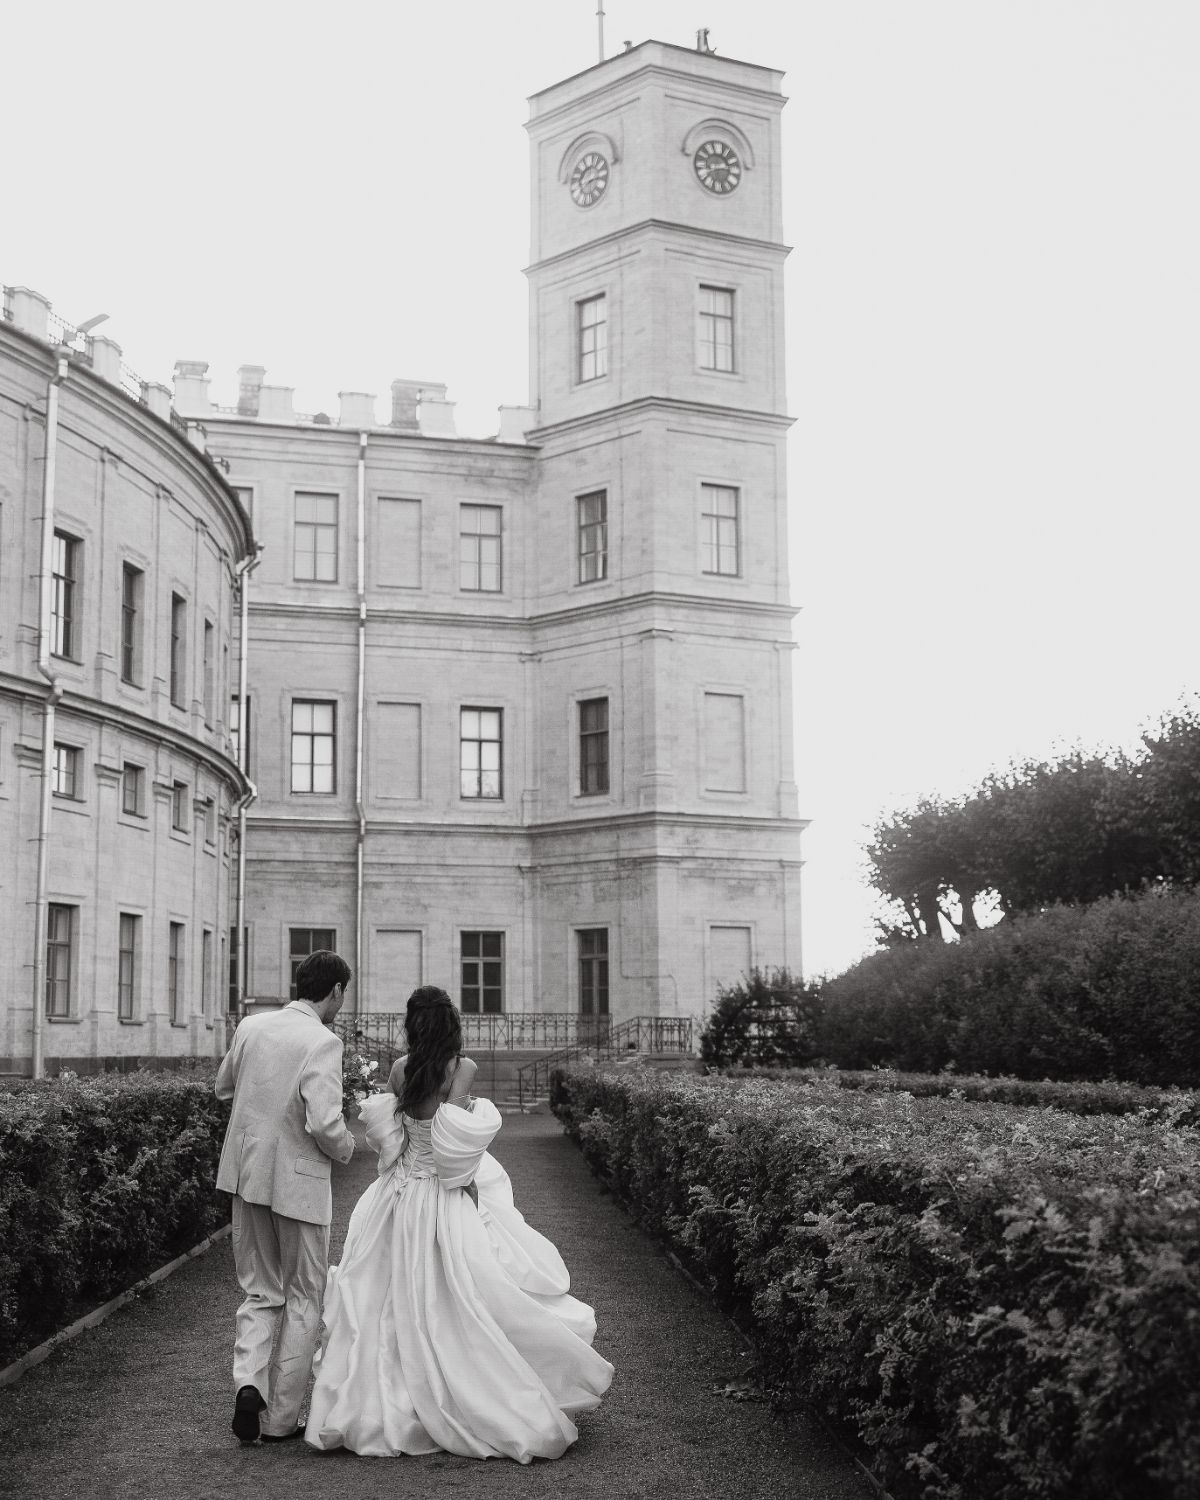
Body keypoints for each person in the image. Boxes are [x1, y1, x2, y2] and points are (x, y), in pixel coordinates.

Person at [305, 985, 613, 1461]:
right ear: (450, 1024)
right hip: (441, 1190)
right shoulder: (461, 1068)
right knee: (463, 1288)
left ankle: (385, 1395)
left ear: (412, 1024)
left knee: (386, 1294)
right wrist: (465, 1184)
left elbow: (392, 1140)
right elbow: (455, 1137)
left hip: (400, 1192)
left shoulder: (400, 1069)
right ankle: (461, 1388)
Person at [214, 949, 356, 1445]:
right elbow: (325, 1123)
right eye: (343, 994)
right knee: (303, 1295)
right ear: (335, 991)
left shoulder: (251, 1026)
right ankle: (279, 1422)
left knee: (259, 1291)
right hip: (299, 1182)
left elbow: (223, 1088)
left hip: (246, 1173)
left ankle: (248, 1385)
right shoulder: (324, 1041)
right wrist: (347, 1147)